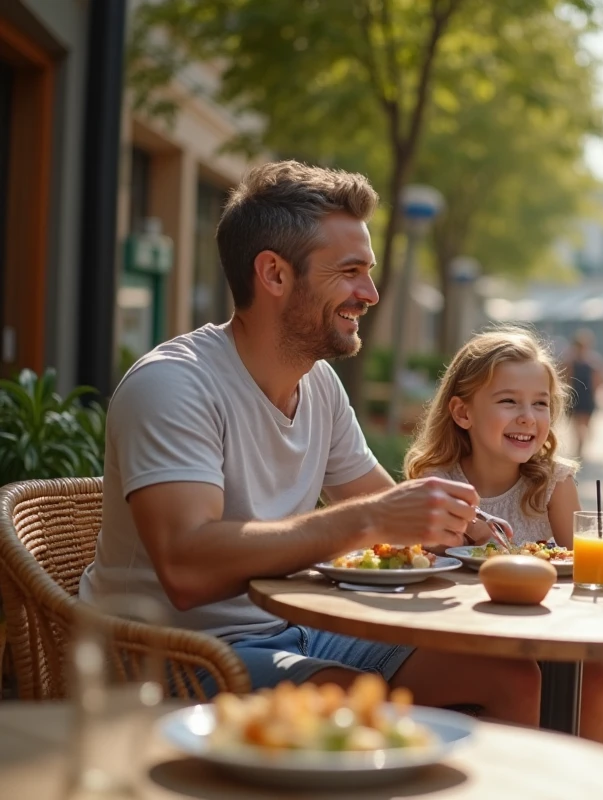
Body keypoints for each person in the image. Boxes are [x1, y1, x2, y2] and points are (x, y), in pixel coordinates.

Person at [78, 161, 540, 725]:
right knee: (353, 705)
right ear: (273, 274)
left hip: (299, 630)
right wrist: (372, 520)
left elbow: (380, 507)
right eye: (350, 271)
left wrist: (460, 528)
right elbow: (186, 568)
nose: (369, 293)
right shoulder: (173, 385)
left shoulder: (317, 383)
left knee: (510, 675)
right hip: (169, 657)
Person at [404, 326, 603, 744]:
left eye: (541, 404)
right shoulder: (438, 483)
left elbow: (580, 569)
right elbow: (417, 567)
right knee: (513, 681)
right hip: (460, 640)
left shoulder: (552, 484)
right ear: (463, 413)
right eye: (509, 401)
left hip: (544, 635)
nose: (528, 416)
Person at [563, 328, 603, 462]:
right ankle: (579, 449)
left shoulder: (593, 361)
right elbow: (566, 380)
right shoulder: (570, 361)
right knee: (577, 426)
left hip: (586, 397)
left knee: (585, 426)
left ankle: (581, 448)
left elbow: (597, 381)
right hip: (576, 396)